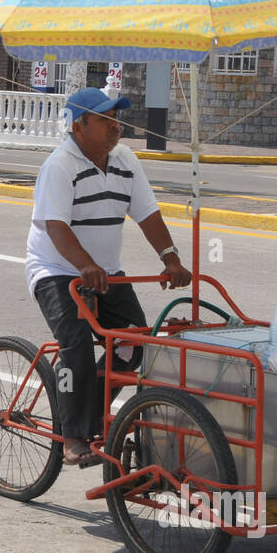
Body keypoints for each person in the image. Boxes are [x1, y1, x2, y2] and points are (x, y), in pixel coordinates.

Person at [26, 87, 192, 467]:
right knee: (77, 346)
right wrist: (84, 266)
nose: (116, 126)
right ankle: (73, 436)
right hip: (57, 270)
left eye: (117, 118)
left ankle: (89, 397)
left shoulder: (125, 159)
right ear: (79, 126)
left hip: (105, 273)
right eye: (105, 119)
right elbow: (56, 227)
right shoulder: (59, 166)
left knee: (135, 343)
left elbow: (148, 214)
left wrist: (171, 258)